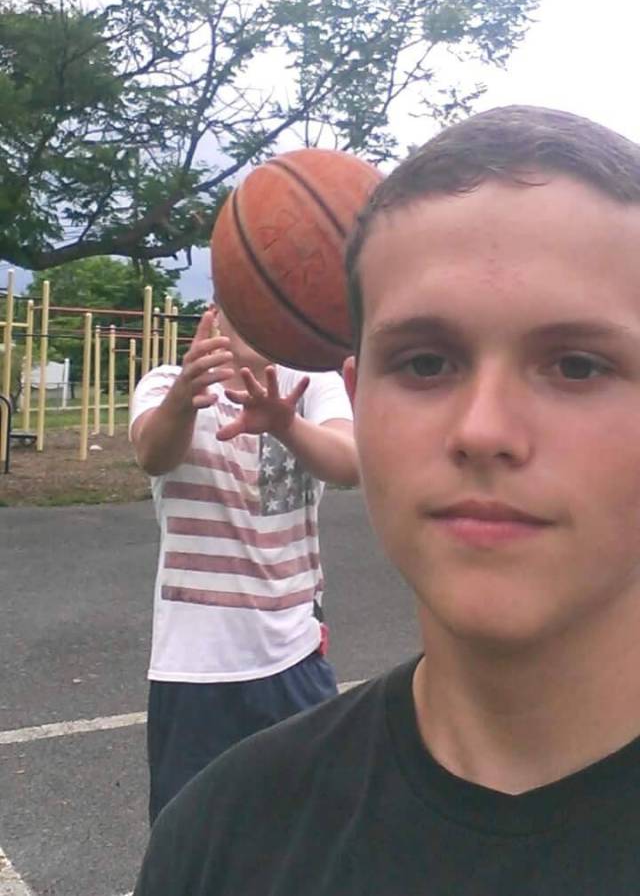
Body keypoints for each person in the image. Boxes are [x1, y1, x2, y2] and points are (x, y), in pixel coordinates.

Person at [134, 104, 640, 894]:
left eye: (577, 365)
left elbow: (335, 462)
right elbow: (151, 451)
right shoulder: (218, 837)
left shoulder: (296, 397)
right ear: (362, 395)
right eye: (425, 363)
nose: (483, 430)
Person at [129, 303, 358, 823]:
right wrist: (183, 400)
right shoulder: (166, 384)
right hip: (194, 669)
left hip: (294, 656)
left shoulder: (310, 384)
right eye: (243, 301)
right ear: (216, 312)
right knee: (192, 837)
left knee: (311, 833)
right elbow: (153, 453)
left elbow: (349, 463)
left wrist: (285, 424)